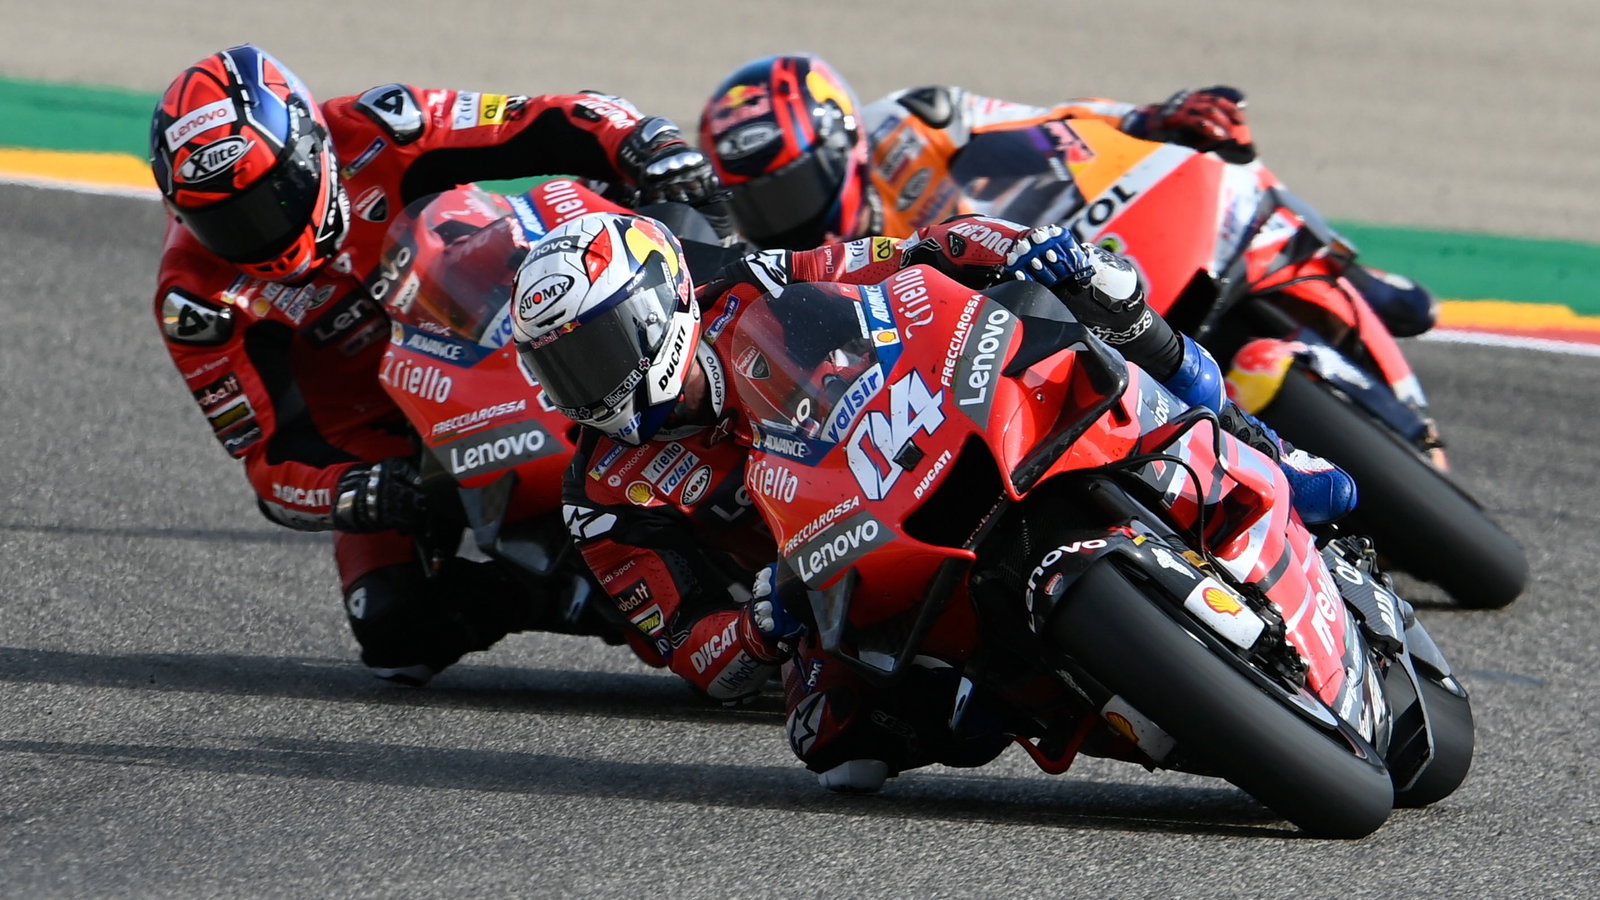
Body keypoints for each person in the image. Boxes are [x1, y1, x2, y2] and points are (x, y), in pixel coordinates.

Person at [510, 207, 1355, 787]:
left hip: (917, 438)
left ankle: (1269, 452)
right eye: (564, 370)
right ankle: (1069, 699)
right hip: (833, 577)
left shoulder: (752, 283)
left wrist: (1018, 247)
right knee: (834, 745)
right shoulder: (604, 495)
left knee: (1086, 300)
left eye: (600, 350)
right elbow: (689, 648)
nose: (594, 386)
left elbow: (912, 255)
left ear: (659, 307)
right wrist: (761, 623)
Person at [149, 44, 721, 685]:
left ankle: (789, 354)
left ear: (310, 150)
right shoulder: (196, 302)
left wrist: (644, 140)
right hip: (393, 443)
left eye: (269, 199)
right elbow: (269, 462)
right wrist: (355, 490)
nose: (257, 234)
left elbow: (539, 120)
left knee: (681, 207)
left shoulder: (380, 127)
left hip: (496, 309)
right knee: (396, 631)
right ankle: (562, 592)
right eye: (222, 221)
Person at [698, 53, 1436, 339]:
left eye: (791, 183)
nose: (783, 213)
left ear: (841, 141)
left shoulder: (908, 123)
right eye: (759, 201)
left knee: (1217, 153)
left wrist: (1149, 119)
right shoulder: (789, 272)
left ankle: (1355, 273)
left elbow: (1048, 125)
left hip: (1051, 246)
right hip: (990, 341)